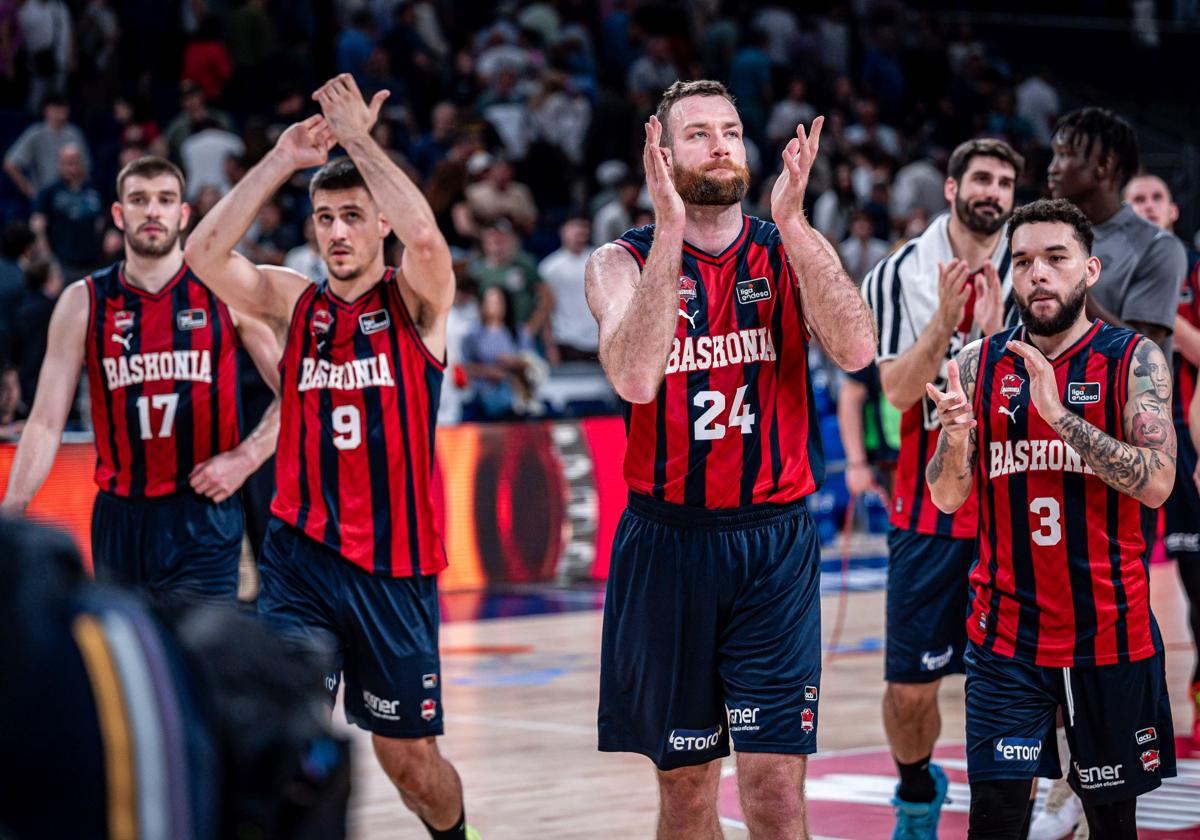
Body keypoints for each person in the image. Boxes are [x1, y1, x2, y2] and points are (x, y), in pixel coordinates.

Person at [183, 73, 477, 840]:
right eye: (324, 219)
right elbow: (205, 254)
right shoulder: (294, 302)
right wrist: (282, 157)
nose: (337, 232)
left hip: (395, 570)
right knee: (276, 726)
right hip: (299, 559)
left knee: (411, 764)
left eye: (352, 216)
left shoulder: (416, 303)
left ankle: (459, 836)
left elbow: (426, 241)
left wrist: (357, 140)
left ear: (376, 223)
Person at [587, 79, 875, 838]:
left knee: (777, 790)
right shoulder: (618, 263)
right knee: (685, 792)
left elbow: (856, 348)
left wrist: (794, 221)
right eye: (698, 134)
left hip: (773, 542)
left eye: (731, 131)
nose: (720, 145)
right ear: (660, 153)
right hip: (668, 544)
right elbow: (637, 376)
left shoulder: (787, 247)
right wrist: (671, 229)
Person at [926, 198, 1178, 839]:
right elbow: (946, 498)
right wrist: (954, 442)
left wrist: (1060, 414)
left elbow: (1158, 483)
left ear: (1089, 270)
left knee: (1112, 826)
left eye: (1055, 259)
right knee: (997, 825)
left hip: (1109, 635)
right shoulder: (977, 365)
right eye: (1023, 261)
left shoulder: (1133, 359)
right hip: (1005, 639)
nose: (1038, 273)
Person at [0, 156, 281, 604]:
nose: (152, 211)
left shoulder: (223, 293)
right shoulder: (83, 301)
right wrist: (11, 512)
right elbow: (45, 422)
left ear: (183, 215)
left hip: (204, 511)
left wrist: (247, 458)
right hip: (120, 514)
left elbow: (298, 393)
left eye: (165, 200)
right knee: (134, 659)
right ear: (118, 213)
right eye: (139, 200)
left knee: (199, 656)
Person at [859, 136, 1023, 838]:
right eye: (981, 178)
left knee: (1026, 680)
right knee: (910, 688)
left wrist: (993, 340)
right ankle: (918, 792)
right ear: (951, 188)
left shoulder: (1040, 264)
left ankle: (1028, 803)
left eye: (1005, 182)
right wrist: (945, 324)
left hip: (1015, 502)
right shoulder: (896, 275)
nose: (993, 191)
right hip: (928, 507)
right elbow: (895, 392)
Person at [1124, 172, 1200, 747]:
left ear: (1172, 210)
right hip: (1129, 440)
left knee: (1197, 581)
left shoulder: (1190, 271)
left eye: (1156, 196)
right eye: (1137, 200)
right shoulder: (1104, 268)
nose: (1148, 207)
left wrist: (1158, 310)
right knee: (1128, 580)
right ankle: (1132, 717)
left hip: (1189, 437)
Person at [539, 215, 598, 363]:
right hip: (566, 339)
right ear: (562, 231)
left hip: (599, 339)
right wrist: (550, 346)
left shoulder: (600, 259)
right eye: (574, 227)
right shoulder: (549, 267)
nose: (579, 231)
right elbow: (544, 310)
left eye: (583, 227)